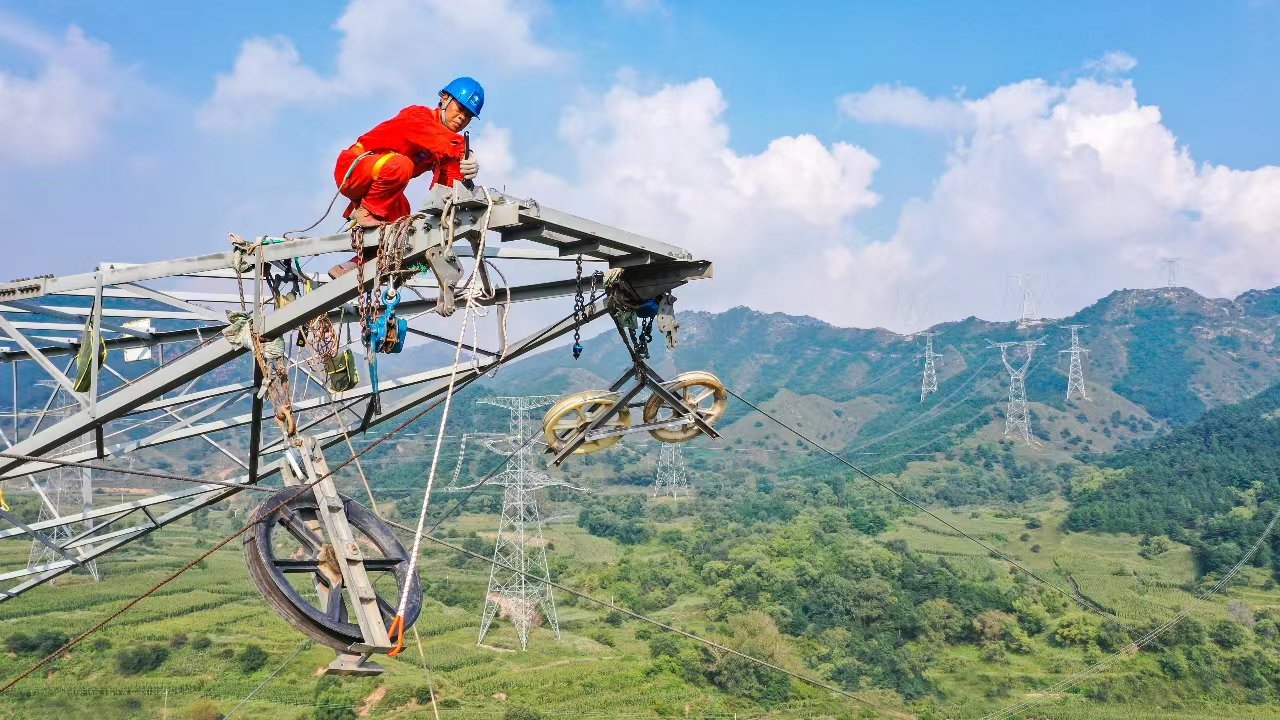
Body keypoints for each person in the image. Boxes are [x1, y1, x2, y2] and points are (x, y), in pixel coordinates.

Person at [328, 77, 484, 278]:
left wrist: (464, 170)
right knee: (401, 165)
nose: (462, 117)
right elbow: (442, 141)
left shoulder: (446, 147)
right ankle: (368, 214)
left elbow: (447, 191)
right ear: (445, 99)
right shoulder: (417, 116)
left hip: (381, 189)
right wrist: (465, 151)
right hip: (354, 168)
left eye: (468, 115)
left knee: (406, 227)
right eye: (460, 108)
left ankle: (354, 268)